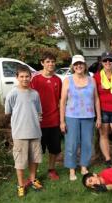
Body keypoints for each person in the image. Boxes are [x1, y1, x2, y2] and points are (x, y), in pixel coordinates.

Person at [60, 55, 102, 181]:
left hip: (88, 116)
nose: (79, 66)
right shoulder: (67, 80)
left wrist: (99, 117)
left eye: (81, 64)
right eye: (76, 64)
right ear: (73, 66)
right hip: (71, 116)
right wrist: (62, 121)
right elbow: (62, 101)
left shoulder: (92, 80)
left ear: (85, 65)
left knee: (87, 143)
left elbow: (96, 100)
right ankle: (72, 169)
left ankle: (84, 166)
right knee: (72, 143)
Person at [5, 65, 43, 197]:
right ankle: (21, 185)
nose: (25, 79)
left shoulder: (35, 94)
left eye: (27, 76)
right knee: (20, 161)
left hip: (35, 132)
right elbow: (8, 112)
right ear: (17, 77)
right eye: (21, 76)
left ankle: (33, 179)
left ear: (30, 77)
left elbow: (39, 112)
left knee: (35, 159)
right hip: (20, 134)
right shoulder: (12, 94)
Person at [30, 52, 62, 180]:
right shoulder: (35, 79)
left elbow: (60, 100)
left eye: (53, 61)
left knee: (54, 149)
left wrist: (62, 119)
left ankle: (51, 169)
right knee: (38, 150)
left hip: (54, 120)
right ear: (42, 63)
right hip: (39, 122)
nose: (51, 64)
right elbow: (30, 98)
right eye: (48, 61)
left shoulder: (58, 80)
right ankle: (34, 175)